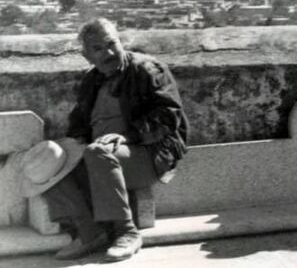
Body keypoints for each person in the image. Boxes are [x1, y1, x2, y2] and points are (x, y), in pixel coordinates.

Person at [37, 18, 188, 262]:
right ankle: (90, 233)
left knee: (98, 153)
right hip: (102, 155)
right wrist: (70, 148)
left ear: (120, 42)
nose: (108, 53)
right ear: (87, 56)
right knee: (46, 164)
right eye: (98, 48)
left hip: (148, 152)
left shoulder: (146, 70)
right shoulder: (92, 79)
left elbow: (169, 117)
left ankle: (126, 232)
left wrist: (127, 136)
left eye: (111, 44)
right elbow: (79, 124)